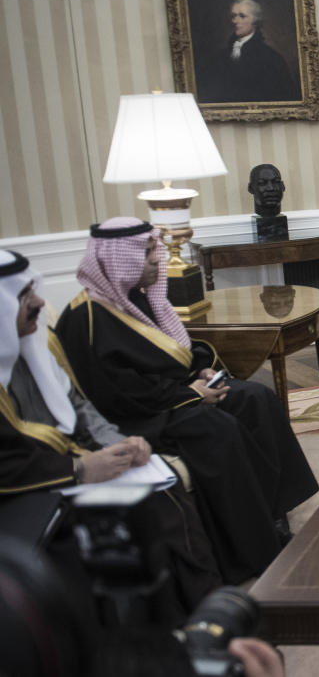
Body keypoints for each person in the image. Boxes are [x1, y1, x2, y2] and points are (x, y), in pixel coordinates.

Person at [53, 219, 319, 583]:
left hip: (173, 393)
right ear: (119, 260)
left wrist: (204, 370)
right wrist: (190, 395)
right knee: (218, 430)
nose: (155, 260)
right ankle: (249, 548)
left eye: (153, 251)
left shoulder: (139, 298)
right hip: (140, 416)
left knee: (255, 398)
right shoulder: (85, 319)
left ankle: (272, 508)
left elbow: (178, 349)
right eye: (146, 253)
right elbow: (115, 393)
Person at [0, 249, 221, 616]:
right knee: (143, 511)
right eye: (25, 297)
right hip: (32, 492)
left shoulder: (40, 342)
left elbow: (80, 406)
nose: (40, 301)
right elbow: (8, 463)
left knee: (167, 488)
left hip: (77, 458)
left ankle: (204, 612)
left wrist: (116, 443)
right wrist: (81, 469)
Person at [196, 0, 300, 104]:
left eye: (242, 16)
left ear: (255, 21)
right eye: (233, 16)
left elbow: (283, 97)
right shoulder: (220, 56)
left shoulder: (271, 58)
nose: (235, 21)